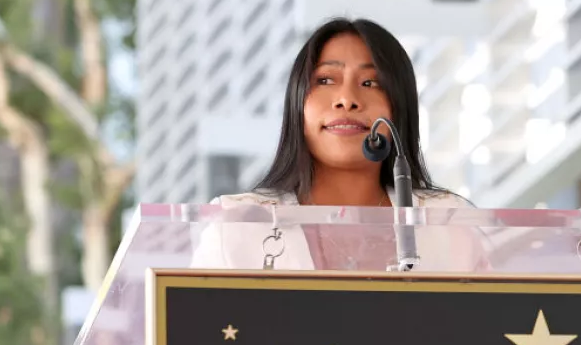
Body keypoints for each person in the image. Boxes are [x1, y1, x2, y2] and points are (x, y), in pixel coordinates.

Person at [192, 17, 485, 271]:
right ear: (298, 103)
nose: (347, 99)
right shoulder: (238, 227)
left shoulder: (448, 224)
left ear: (400, 107)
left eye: (370, 83)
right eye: (326, 80)